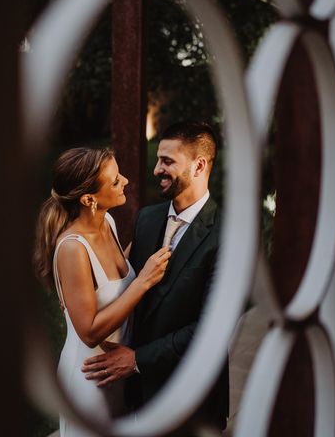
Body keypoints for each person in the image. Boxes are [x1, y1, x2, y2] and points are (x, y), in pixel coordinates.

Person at [82, 121, 229, 432]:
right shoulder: (147, 219)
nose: (156, 169)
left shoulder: (228, 235)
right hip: (139, 395)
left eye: (167, 161)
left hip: (194, 398)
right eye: (158, 159)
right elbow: (126, 283)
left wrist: (136, 359)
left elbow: (211, 329)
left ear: (199, 165)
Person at [33, 147, 172, 437]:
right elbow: (90, 331)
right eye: (115, 180)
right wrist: (143, 281)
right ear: (88, 199)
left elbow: (114, 278)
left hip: (118, 370)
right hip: (90, 378)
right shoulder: (73, 248)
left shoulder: (106, 222)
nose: (126, 181)